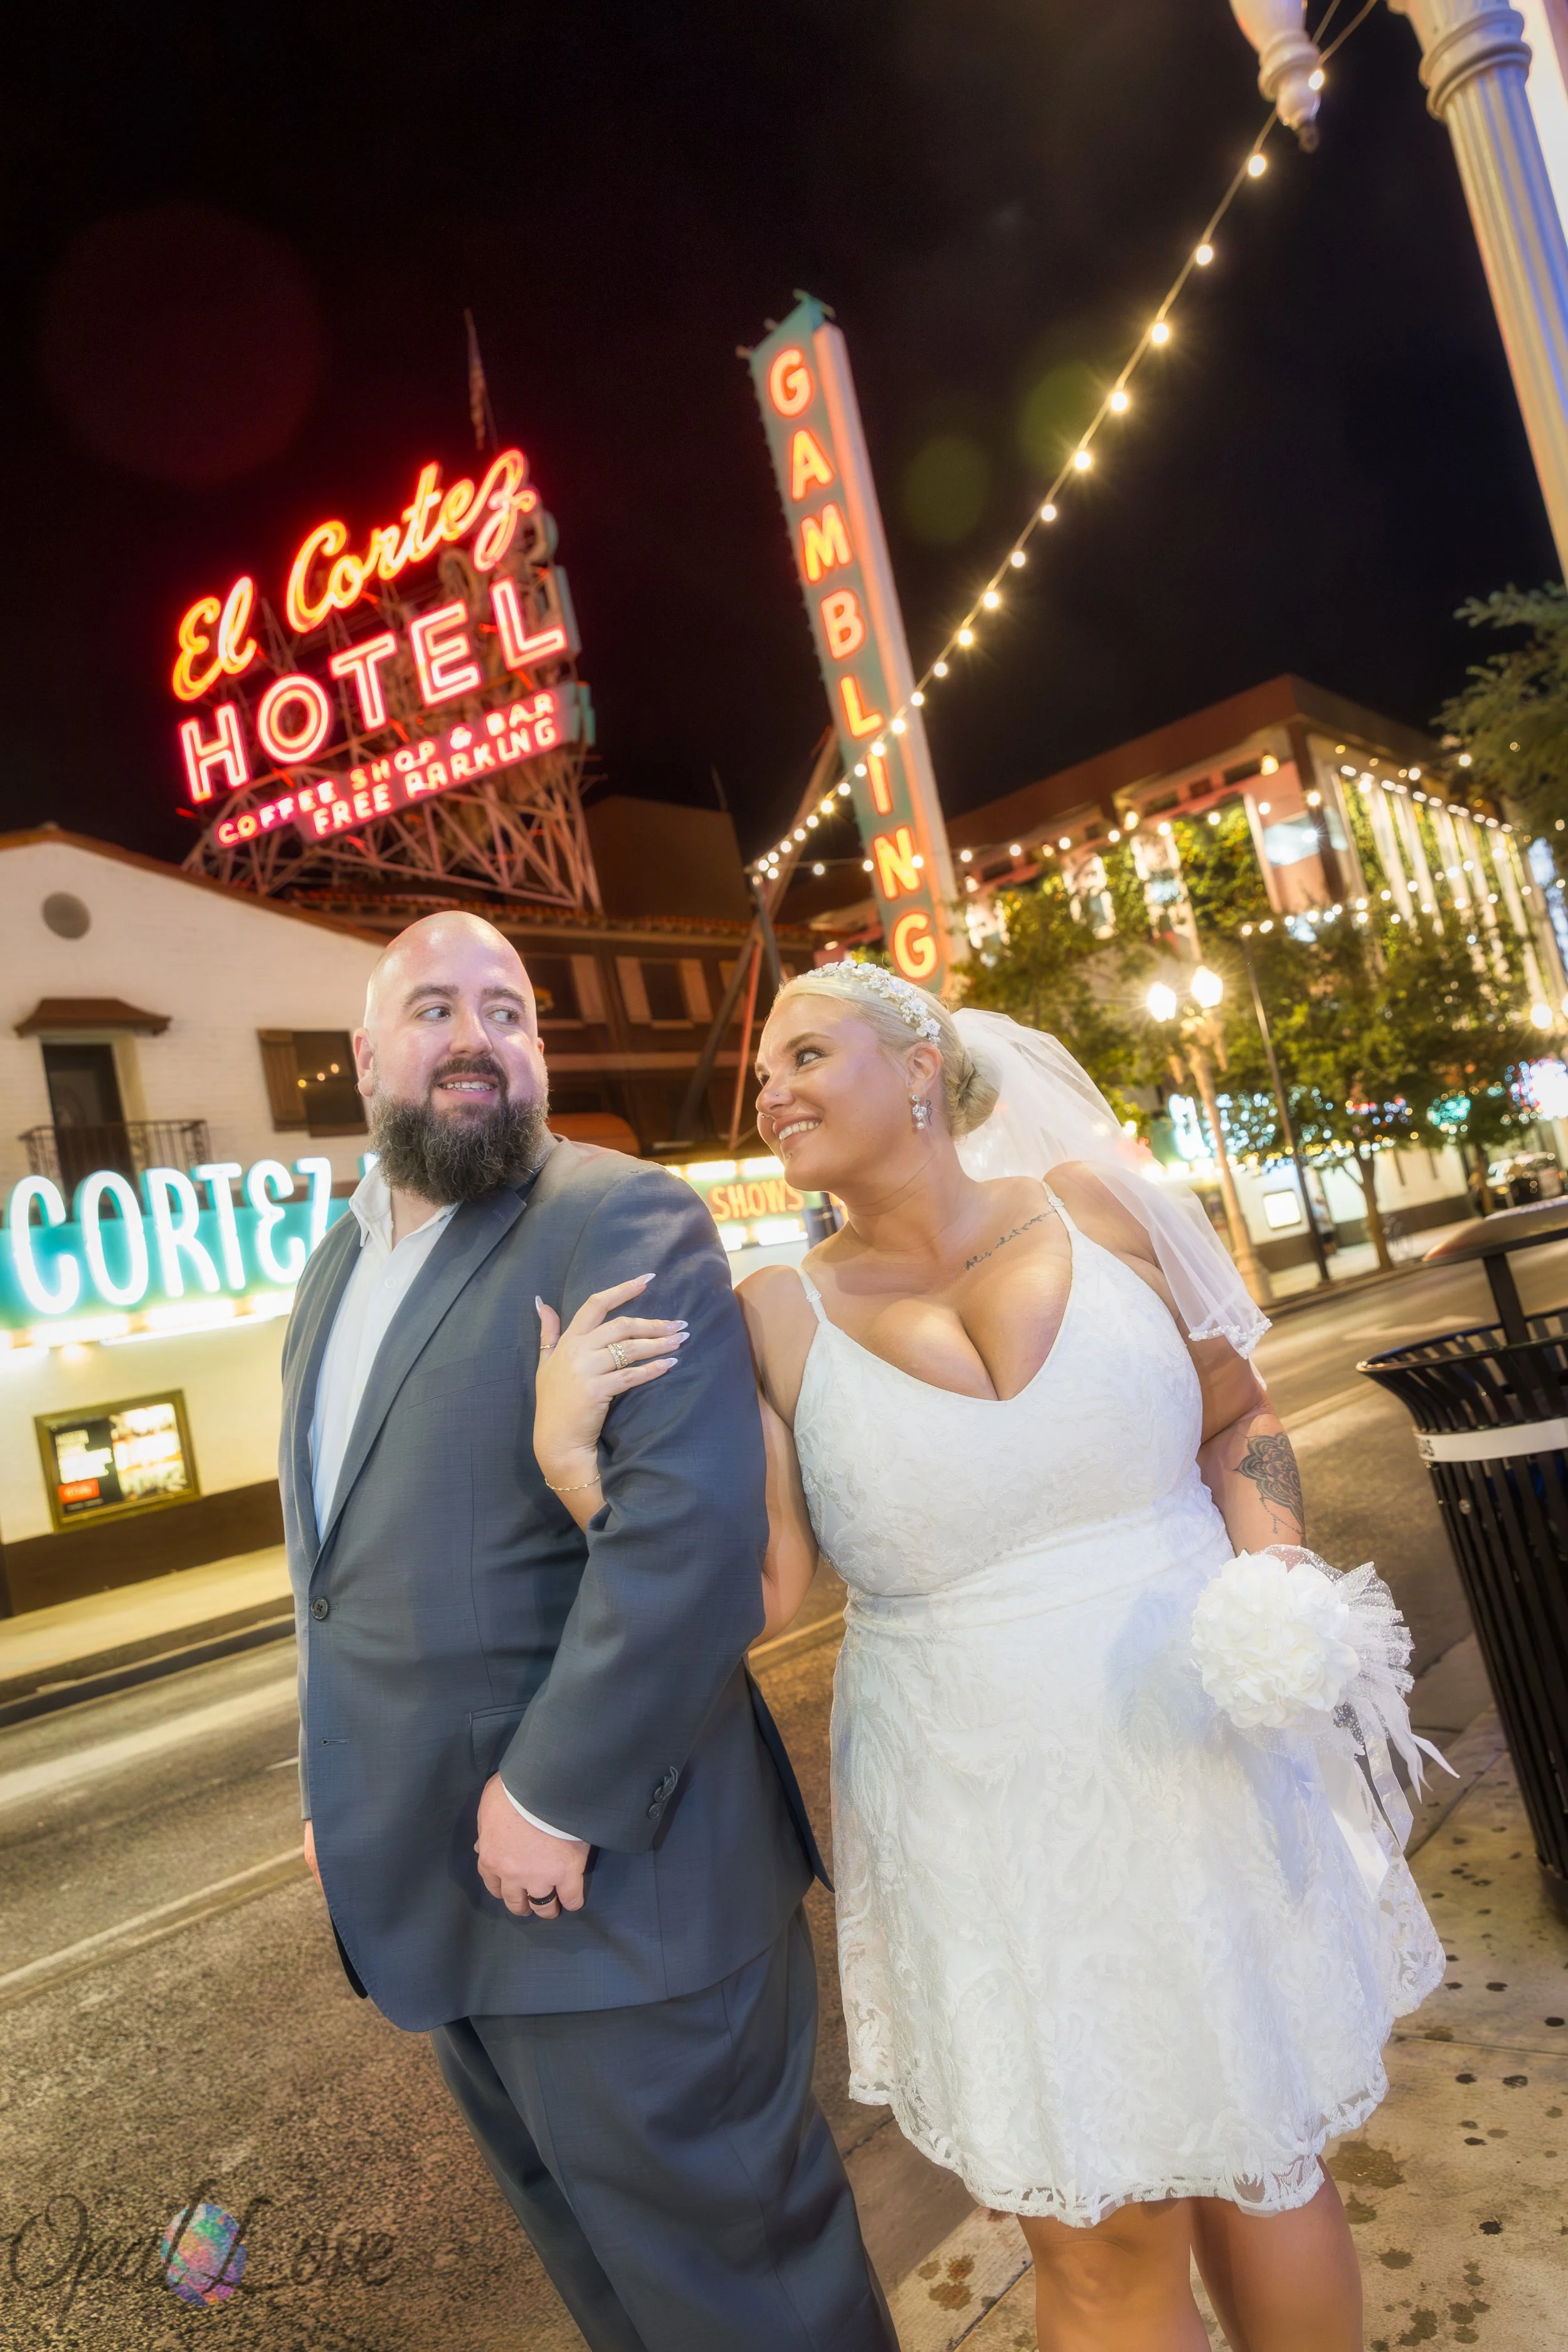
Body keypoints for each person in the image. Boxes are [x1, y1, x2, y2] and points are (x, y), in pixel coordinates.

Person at [535, 961, 1446, 2352]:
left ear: (915, 1064)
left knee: (1269, 2169)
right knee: (1101, 2230)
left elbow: (1237, 1413)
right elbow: (757, 1588)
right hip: (980, 1804)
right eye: (759, 1075)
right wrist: (570, 1463)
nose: (768, 1090)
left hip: (1198, 1749)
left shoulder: (1102, 1208)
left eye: (805, 1055)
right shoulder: (767, 1312)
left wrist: (1270, 1582)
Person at [280, 912, 896, 2352]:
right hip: (436, 1881)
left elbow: (686, 1543)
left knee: (752, 2301)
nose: (475, 1036)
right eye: (433, 1009)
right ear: (365, 1056)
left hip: (619, 1884)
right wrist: (332, 1778)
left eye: (507, 1009)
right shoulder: (330, 1266)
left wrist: (555, 1796)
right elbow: (334, 1565)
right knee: (617, 2301)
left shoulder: (617, 1213)